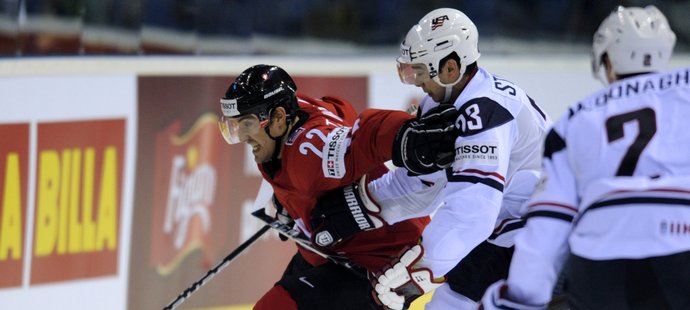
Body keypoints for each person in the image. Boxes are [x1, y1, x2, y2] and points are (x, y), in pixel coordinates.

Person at [310, 7, 551, 310]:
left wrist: (421, 271)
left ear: (451, 68)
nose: (416, 81)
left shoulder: (485, 112)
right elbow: (421, 187)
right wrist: (355, 205)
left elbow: (473, 210)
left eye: (421, 71)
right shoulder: (442, 103)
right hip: (510, 229)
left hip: (545, 231)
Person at [479, 5, 690, 310]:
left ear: (607, 60)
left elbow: (549, 222)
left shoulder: (575, 119)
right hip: (680, 247)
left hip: (602, 262)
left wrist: (519, 299)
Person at [217, 64, 430, 310]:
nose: (242, 137)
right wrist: (289, 201)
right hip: (336, 251)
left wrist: (409, 132)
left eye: (247, 125)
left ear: (276, 118)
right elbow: (342, 109)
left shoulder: (311, 155)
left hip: (382, 266)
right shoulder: (298, 110)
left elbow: (367, 138)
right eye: (235, 127)